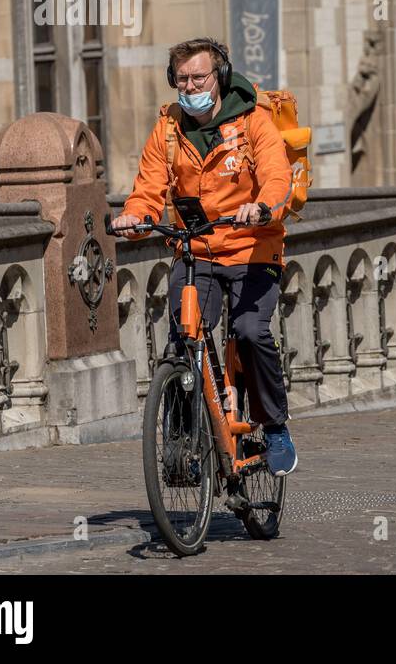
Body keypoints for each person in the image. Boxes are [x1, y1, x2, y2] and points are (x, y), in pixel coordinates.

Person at [110, 38, 298, 477]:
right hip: (197, 249)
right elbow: (149, 187)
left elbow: (277, 175)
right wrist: (135, 217)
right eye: (182, 79)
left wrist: (262, 207)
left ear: (221, 77)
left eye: (199, 77)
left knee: (251, 331)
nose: (190, 85)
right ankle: (180, 437)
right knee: (182, 340)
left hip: (253, 247)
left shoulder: (254, 123)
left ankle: (274, 426)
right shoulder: (168, 129)